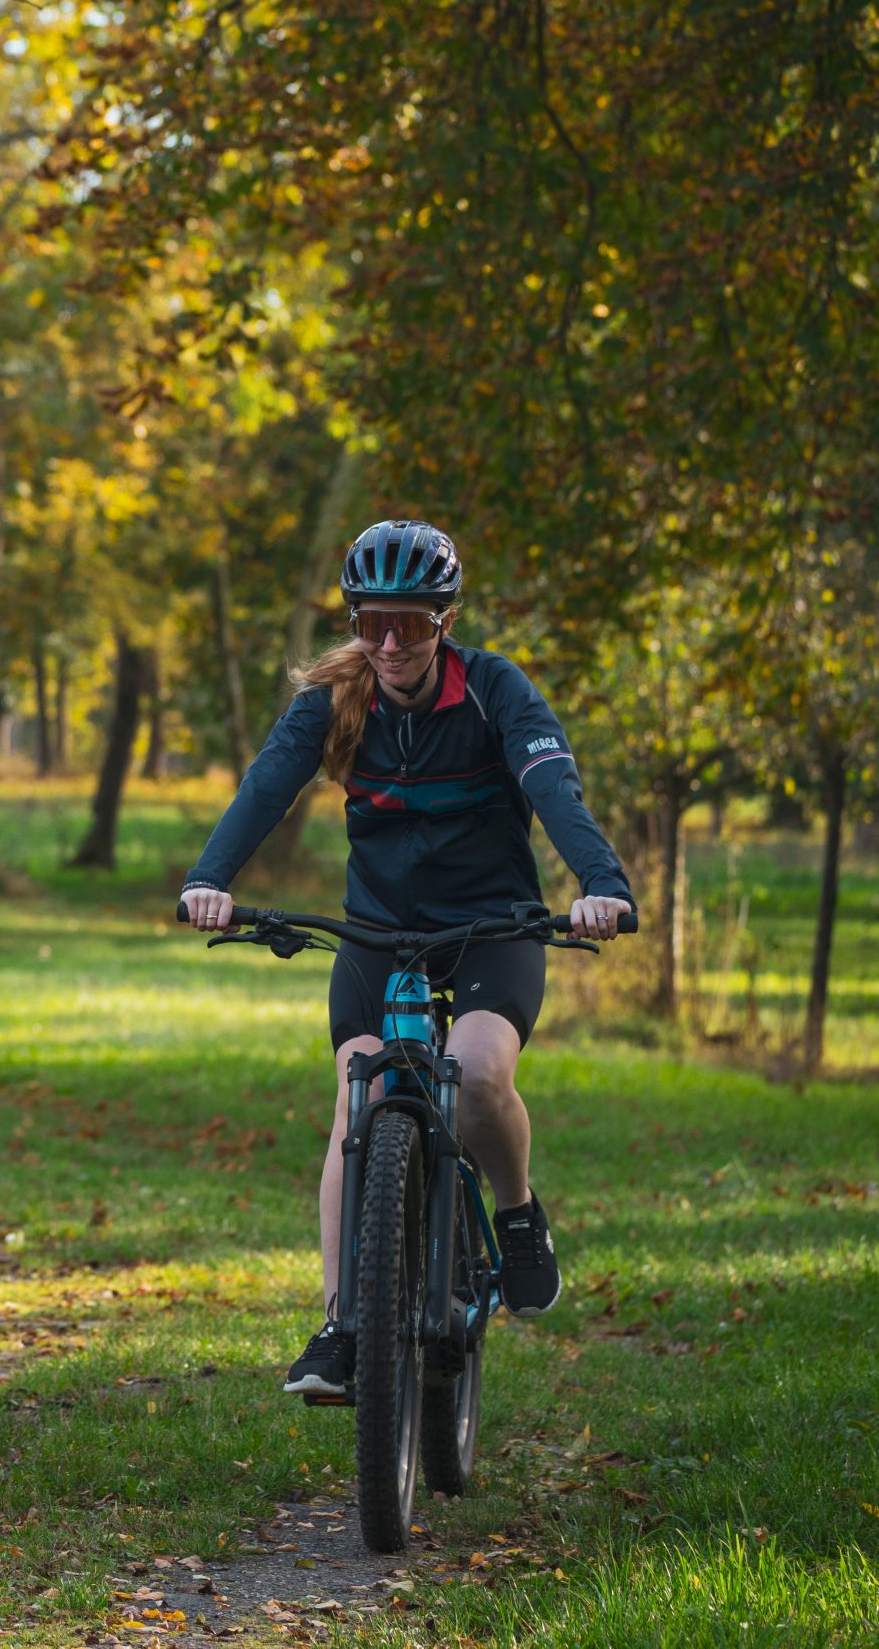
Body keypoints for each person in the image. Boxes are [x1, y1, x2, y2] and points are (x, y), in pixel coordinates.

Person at [176, 520, 636, 1398]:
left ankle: (516, 1212)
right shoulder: (332, 700)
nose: (390, 642)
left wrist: (602, 883)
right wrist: (210, 878)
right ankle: (341, 1326)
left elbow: (553, 792)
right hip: (379, 930)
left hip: (491, 925)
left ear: (446, 618)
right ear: (355, 616)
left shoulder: (497, 690)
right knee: (361, 1090)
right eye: (373, 621)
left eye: (413, 624)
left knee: (479, 1072)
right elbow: (265, 789)